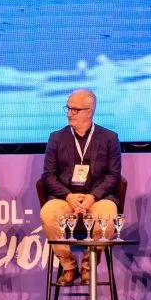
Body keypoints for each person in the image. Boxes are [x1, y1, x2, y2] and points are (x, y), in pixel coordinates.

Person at [39, 89, 122, 285]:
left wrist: (93, 196)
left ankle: (88, 266)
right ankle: (69, 266)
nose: (69, 113)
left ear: (89, 112)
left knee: (108, 215)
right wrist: (68, 196)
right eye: (68, 108)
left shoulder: (109, 138)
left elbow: (114, 175)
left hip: (97, 198)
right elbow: (48, 176)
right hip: (65, 198)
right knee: (48, 213)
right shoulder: (56, 138)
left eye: (75, 110)